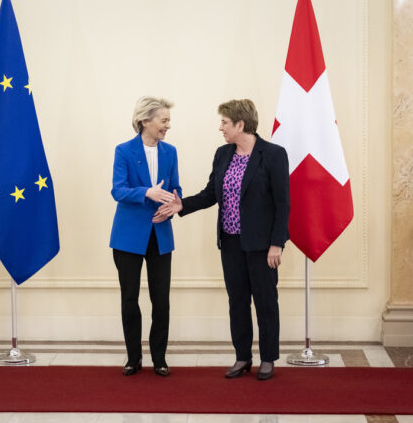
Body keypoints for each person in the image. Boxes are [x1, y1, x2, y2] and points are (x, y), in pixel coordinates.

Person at [155, 99, 289, 380]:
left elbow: (283, 203)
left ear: (241, 124)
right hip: (230, 243)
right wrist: (182, 205)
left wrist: (277, 243)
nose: (221, 128)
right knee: (237, 301)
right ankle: (242, 357)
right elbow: (211, 194)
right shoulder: (223, 154)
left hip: (262, 245)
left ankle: (268, 358)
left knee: (265, 301)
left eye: (225, 123)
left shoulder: (273, 154)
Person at [110, 96, 182, 376]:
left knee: (160, 299)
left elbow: (176, 190)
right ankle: (133, 358)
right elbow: (118, 190)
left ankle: (159, 358)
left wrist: (172, 207)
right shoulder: (124, 151)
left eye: (168, 120)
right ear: (145, 120)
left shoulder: (171, 152)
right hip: (128, 237)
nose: (168, 126)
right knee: (130, 298)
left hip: (160, 234)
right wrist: (147, 192)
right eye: (164, 120)